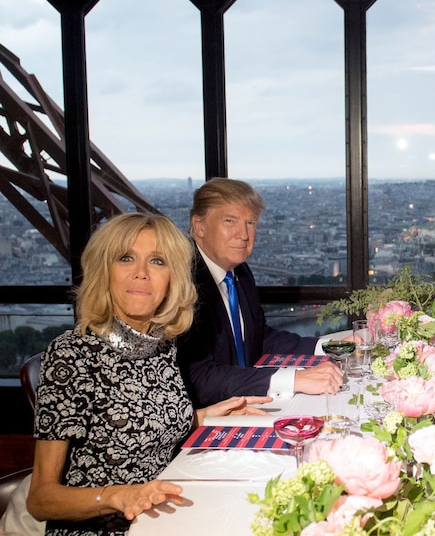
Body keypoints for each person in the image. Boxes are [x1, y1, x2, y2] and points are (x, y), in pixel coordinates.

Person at [26, 213, 272, 535]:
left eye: (157, 261)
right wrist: (121, 496)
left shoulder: (162, 345)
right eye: (126, 258)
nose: (141, 274)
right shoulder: (72, 354)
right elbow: (41, 499)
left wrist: (203, 416)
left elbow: (143, 425)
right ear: (104, 271)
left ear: (173, 278)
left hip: (164, 515)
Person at [176, 178, 343, 408]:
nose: (243, 235)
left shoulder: (239, 273)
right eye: (229, 221)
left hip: (246, 401)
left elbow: (258, 339)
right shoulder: (182, 282)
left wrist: (329, 345)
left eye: (250, 223)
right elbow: (200, 379)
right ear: (199, 226)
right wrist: (295, 379)